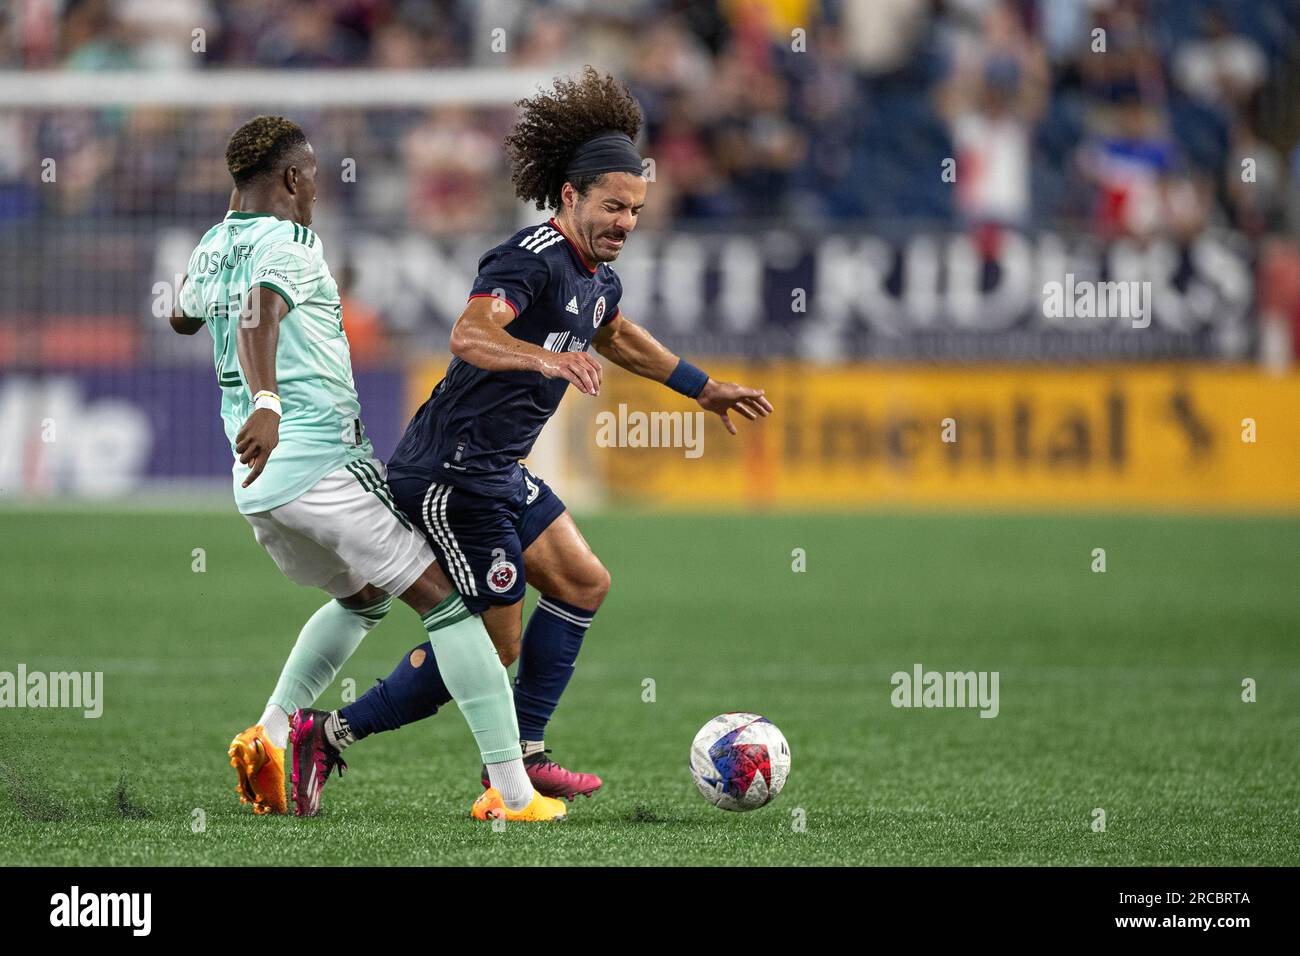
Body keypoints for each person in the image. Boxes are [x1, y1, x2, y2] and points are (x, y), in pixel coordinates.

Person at [291, 68, 773, 809]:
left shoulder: (596, 274)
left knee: (584, 581)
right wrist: (546, 356)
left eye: (637, 210)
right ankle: (326, 737)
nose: (625, 223)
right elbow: (471, 331)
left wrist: (702, 388)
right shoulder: (529, 258)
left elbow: (615, 334)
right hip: (448, 475)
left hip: (497, 469)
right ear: (571, 196)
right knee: (493, 642)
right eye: (613, 206)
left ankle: (525, 751)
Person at [172, 115, 565, 822]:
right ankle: (515, 794)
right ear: (293, 178)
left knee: (364, 599)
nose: (318, 187)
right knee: (449, 605)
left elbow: (182, 316)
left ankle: (267, 735)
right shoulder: (291, 241)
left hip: (260, 485)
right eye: (315, 174)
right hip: (317, 460)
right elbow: (260, 312)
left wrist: (215, 285)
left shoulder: (213, 245)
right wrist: (268, 397)